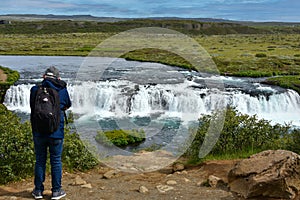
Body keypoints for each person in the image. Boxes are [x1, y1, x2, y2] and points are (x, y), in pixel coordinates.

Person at [30, 66, 71, 200]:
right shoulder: (62, 90)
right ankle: (56, 191)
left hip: (38, 132)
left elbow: (32, 106)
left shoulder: (35, 90)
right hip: (56, 132)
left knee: (40, 160)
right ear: (57, 78)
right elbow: (67, 105)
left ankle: (38, 191)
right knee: (56, 160)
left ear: (44, 77)